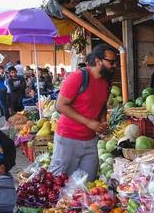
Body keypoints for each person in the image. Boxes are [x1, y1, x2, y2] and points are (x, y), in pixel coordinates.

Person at [48, 44, 116, 181]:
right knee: (58, 181)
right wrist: (89, 122)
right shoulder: (78, 77)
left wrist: (102, 120)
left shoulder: (107, 82)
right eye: (111, 62)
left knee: (87, 182)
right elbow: (60, 105)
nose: (114, 65)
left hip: (90, 141)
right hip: (68, 139)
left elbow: (102, 105)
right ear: (98, 61)